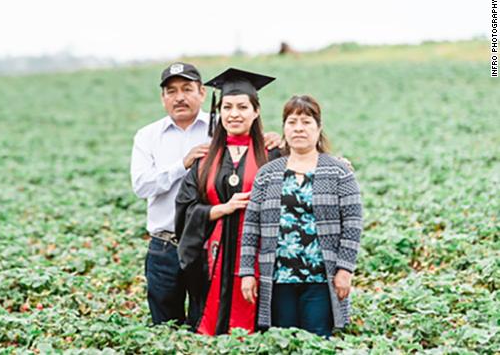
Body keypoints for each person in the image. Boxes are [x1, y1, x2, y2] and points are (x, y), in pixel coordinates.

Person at [131, 63, 281, 327]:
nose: (180, 97)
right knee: (168, 324)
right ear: (163, 97)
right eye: (171, 90)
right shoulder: (148, 136)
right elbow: (142, 186)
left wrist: (274, 140)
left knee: (210, 316)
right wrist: (184, 164)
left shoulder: (218, 130)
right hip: (168, 244)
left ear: (202, 93)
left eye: (187, 89)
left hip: (216, 251)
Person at [239, 95, 363, 338]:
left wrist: (344, 270)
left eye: (306, 122)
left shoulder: (339, 172)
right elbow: (251, 226)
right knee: (283, 340)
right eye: (292, 122)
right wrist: (246, 272)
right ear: (284, 128)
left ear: (318, 128)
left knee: (317, 338)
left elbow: (352, 224)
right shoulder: (268, 174)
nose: (298, 128)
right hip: (278, 277)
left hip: (320, 277)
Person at [174, 68, 281, 335]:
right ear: (219, 112)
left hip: (259, 256)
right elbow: (185, 208)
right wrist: (221, 209)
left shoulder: (274, 154)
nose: (234, 114)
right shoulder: (205, 158)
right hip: (212, 259)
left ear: (256, 111)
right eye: (227, 107)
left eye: (243, 107)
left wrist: (339, 165)